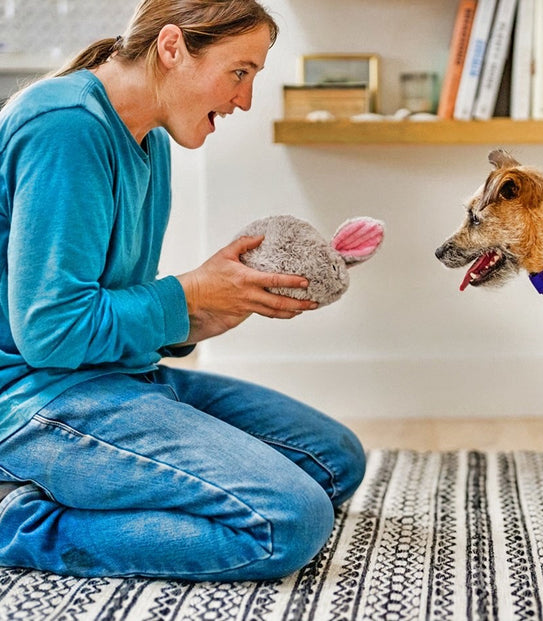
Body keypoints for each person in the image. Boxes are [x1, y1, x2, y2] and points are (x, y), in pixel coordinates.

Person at [0, 0, 366, 581]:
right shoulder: (65, 126)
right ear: (171, 48)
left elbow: (116, 303)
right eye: (239, 72)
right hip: (35, 400)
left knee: (334, 461)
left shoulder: (150, 138)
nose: (243, 100)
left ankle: (101, 484)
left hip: (116, 376)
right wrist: (188, 293)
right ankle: (22, 519)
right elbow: (50, 332)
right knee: (288, 521)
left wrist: (210, 311)